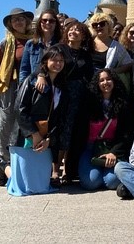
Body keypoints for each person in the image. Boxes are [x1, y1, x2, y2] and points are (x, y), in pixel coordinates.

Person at [0, 45, 69, 196]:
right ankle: (3, 165)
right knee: (25, 188)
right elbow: (20, 110)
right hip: (24, 137)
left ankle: (11, 168)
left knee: (41, 186)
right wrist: (33, 134)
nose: (58, 63)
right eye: (54, 60)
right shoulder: (32, 81)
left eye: (61, 60)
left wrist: (48, 139)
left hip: (45, 138)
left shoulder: (62, 86)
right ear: (45, 62)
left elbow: (60, 118)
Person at [0, 8, 34, 166]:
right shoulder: (6, 42)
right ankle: (2, 158)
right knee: (5, 122)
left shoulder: (32, 40)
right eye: (15, 20)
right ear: (10, 24)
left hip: (26, 86)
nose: (19, 22)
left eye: (21, 18)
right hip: (8, 86)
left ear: (27, 21)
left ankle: (18, 156)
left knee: (22, 122)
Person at [79, 69, 133, 191]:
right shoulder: (88, 103)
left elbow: (126, 133)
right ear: (96, 83)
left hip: (112, 148)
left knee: (112, 182)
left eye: (108, 79)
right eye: (101, 80)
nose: (105, 82)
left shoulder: (123, 104)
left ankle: (104, 172)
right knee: (91, 183)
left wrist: (114, 152)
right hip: (91, 148)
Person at [58, 21, 95, 183]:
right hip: (63, 94)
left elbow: (89, 77)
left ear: (84, 36)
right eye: (71, 29)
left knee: (73, 133)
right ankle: (55, 169)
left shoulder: (86, 55)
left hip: (80, 97)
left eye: (78, 30)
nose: (74, 31)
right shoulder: (59, 49)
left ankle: (68, 169)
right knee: (61, 132)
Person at [19, 9, 61, 85]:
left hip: (55, 88)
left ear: (56, 24)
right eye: (44, 20)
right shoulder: (30, 44)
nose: (47, 23)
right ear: (40, 23)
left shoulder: (61, 44)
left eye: (51, 21)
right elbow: (24, 69)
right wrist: (22, 86)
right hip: (33, 87)